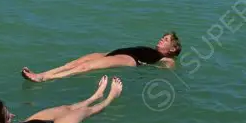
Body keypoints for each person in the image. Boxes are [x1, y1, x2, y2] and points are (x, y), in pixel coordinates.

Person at [22, 32, 181, 82]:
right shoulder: (151, 49)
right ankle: (44, 73)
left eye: (166, 39)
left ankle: (42, 79)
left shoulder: (167, 59)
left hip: (130, 59)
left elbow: (168, 70)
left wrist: (159, 66)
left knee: (85, 67)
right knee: (76, 62)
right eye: (163, 37)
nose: (161, 39)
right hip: (116, 52)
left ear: (173, 49)